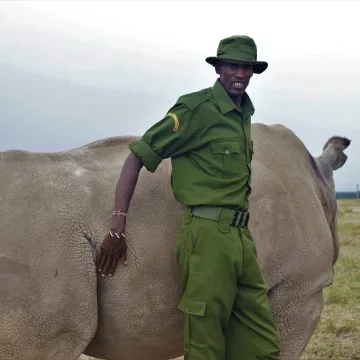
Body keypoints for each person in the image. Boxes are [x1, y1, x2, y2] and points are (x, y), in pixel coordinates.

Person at [96, 35, 281, 360]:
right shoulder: (196, 109)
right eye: (233, 65)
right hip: (206, 237)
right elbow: (137, 156)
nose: (240, 73)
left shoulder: (243, 113)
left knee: (261, 342)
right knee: (205, 343)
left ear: (254, 72)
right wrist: (116, 225)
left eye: (247, 67)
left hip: (240, 237)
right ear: (219, 68)